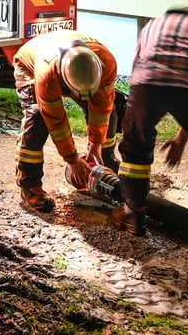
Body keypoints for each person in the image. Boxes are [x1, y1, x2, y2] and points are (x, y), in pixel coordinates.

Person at [112, 3, 188, 236]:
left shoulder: (152, 25)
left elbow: (138, 63)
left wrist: (138, 114)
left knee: (136, 145)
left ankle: (132, 212)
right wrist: (184, 136)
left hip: (147, 83)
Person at [12, 29, 119, 213]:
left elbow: (102, 107)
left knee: (112, 110)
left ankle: (105, 161)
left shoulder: (106, 61)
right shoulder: (47, 73)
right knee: (37, 118)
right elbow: (56, 121)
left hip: (68, 64)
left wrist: (96, 144)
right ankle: (30, 186)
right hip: (29, 66)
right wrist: (72, 159)